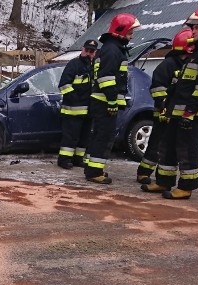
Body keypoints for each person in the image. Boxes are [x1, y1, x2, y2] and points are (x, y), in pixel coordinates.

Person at [142, 7, 198, 200]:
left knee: (187, 150)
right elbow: (185, 84)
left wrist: (190, 112)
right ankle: (164, 181)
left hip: (192, 114)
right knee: (168, 147)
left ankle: (186, 187)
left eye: (196, 27)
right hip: (178, 112)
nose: (192, 31)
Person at [84, 13, 140, 185]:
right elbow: (106, 78)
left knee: (99, 136)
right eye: (130, 32)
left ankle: (93, 168)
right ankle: (94, 172)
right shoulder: (113, 50)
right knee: (104, 136)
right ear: (121, 31)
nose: (132, 36)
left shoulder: (110, 48)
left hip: (101, 101)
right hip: (104, 102)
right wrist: (112, 101)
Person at [136, 29, 193, 184]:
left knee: (170, 147)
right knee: (156, 143)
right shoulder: (169, 64)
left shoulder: (190, 65)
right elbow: (157, 87)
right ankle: (144, 172)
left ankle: (165, 177)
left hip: (178, 113)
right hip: (163, 111)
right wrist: (163, 107)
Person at [57, 39, 98, 169]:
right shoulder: (74, 64)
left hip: (88, 110)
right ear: (82, 49)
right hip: (72, 110)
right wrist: (75, 98)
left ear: (95, 52)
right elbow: (64, 85)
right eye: (87, 50)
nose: (89, 53)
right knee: (70, 137)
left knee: (84, 137)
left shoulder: (94, 67)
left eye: (91, 51)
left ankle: (78, 159)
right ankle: (64, 160)